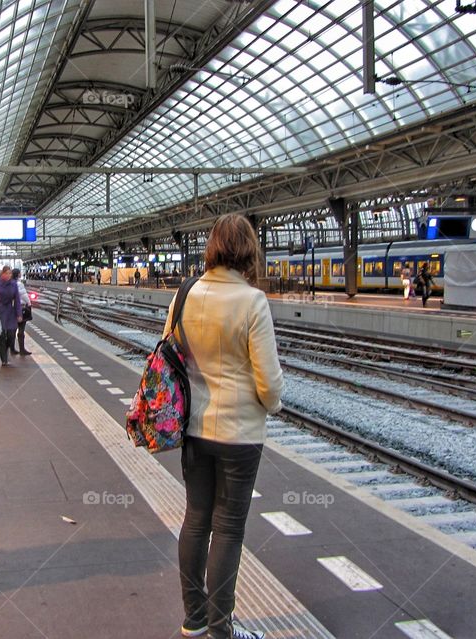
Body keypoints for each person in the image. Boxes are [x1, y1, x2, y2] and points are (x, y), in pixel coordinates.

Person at [165, 213, 283, 639]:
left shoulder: (185, 294)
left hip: (194, 429)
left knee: (196, 520)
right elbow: (269, 383)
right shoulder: (252, 302)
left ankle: (194, 618)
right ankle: (221, 628)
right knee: (228, 530)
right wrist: (272, 404)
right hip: (240, 434)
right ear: (249, 251)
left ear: (212, 247)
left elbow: (171, 355)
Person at [0, 265, 23, 366]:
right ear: (2, 274)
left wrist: (19, 313)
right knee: (0, 335)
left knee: (11, 335)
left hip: (10, 311)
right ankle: (3, 358)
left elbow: (17, 299)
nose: (9, 275)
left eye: (10, 273)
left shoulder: (14, 284)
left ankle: (6, 349)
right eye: (6, 273)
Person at [11, 268, 33, 356]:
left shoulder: (10, 283)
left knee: (13, 329)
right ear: (18, 274)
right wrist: (29, 303)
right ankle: (22, 349)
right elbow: (24, 295)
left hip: (12, 308)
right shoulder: (19, 284)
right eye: (20, 273)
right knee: (21, 328)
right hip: (21, 307)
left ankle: (12, 349)